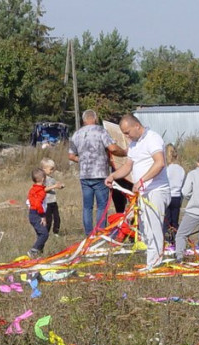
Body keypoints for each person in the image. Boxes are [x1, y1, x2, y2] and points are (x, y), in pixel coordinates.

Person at [105, 115, 170, 270]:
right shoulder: (134, 144)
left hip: (156, 190)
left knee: (153, 226)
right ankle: (152, 260)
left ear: (137, 126)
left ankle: (154, 263)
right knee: (145, 228)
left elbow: (159, 163)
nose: (126, 136)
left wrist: (142, 181)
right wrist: (113, 176)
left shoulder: (153, 138)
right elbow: (128, 166)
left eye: (127, 132)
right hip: (143, 193)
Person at [68, 110, 125, 236]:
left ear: (83, 120)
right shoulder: (100, 131)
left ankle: (89, 234)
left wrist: (82, 159)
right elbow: (113, 148)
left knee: (87, 207)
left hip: (84, 175)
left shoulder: (76, 134)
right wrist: (125, 152)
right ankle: (100, 232)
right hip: (100, 174)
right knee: (101, 206)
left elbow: (71, 156)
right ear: (95, 118)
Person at [164, 144, 185, 242]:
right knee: (175, 222)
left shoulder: (166, 169)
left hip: (168, 196)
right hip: (177, 197)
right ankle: (176, 241)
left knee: (167, 222)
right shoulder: (181, 169)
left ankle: (167, 241)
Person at [27, 169, 49, 258]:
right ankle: (34, 250)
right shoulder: (41, 192)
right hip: (37, 214)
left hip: (32, 214)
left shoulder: (33, 189)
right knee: (44, 234)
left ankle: (39, 253)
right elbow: (38, 204)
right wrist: (43, 216)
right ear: (43, 179)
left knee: (40, 234)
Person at [40, 158, 64, 235]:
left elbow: (56, 184)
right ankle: (45, 233)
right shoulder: (42, 179)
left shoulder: (51, 178)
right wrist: (54, 186)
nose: (52, 171)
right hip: (47, 203)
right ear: (44, 169)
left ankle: (56, 232)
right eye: (51, 169)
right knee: (48, 220)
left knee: (57, 218)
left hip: (53, 201)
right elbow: (43, 190)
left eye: (53, 169)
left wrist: (60, 186)